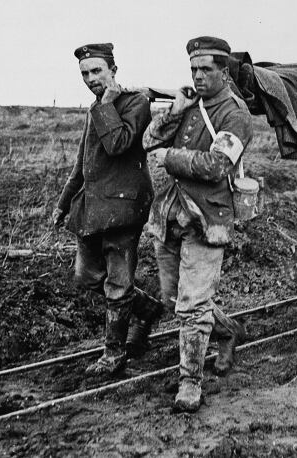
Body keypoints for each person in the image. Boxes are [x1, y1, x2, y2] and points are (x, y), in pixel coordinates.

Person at [142, 36, 252, 413]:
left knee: (191, 306)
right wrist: (175, 110)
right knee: (174, 299)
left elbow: (217, 165)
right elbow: (147, 140)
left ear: (224, 71)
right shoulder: (191, 104)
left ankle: (190, 381)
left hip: (208, 220)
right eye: (194, 69)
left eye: (207, 69)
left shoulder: (234, 113)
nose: (199, 76)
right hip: (171, 215)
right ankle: (228, 331)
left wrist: (169, 157)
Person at [53, 43, 161, 376]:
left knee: (117, 283)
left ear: (113, 71)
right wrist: (62, 203)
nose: (90, 78)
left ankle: (113, 354)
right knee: (87, 277)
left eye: (97, 71)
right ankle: (147, 309)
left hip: (125, 207)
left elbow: (118, 144)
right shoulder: (96, 107)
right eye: (85, 73)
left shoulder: (137, 103)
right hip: (92, 207)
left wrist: (108, 103)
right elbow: (82, 163)